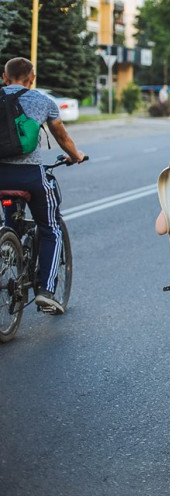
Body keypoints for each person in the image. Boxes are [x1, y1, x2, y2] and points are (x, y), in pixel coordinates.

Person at [0, 57, 86, 313]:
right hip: (29, 176)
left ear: (5, 78)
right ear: (32, 78)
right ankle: (46, 292)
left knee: (9, 221)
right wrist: (76, 155)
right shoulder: (42, 101)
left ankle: (9, 246)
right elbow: (61, 136)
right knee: (50, 227)